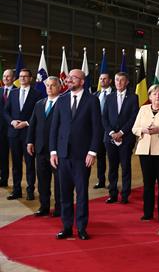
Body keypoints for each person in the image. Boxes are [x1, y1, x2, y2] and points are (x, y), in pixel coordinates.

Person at [50, 69, 101, 240]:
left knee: (81, 194)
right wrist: (53, 152)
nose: (69, 80)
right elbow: (54, 128)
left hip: (82, 156)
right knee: (64, 193)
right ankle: (66, 227)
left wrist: (92, 152)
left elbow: (97, 129)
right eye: (69, 78)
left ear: (82, 81)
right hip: (62, 155)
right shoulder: (61, 100)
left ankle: (81, 228)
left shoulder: (92, 101)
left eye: (73, 78)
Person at [133, 84, 159, 220]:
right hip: (145, 151)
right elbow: (134, 128)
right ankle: (147, 213)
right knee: (147, 184)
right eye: (154, 94)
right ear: (149, 96)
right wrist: (143, 130)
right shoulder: (143, 109)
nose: (157, 97)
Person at [26, 76, 61, 217]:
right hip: (40, 149)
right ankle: (44, 206)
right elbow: (32, 124)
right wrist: (30, 141)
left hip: (57, 151)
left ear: (59, 87)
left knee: (59, 182)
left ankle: (59, 207)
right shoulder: (39, 103)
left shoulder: (63, 104)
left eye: (53, 85)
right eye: (47, 85)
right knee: (43, 181)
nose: (49, 88)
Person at [4, 69, 41, 200]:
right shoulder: (13, 93)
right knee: (16, 164)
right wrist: (12, 121)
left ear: (31, 78)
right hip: (13, 133)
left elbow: (38, 115)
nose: (23, 78)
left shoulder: (37, 94)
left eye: (25, 76)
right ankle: (16, 190)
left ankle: (30, 190)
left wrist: (26, 123)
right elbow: (5, 112)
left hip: (29, 134)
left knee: (30, 163)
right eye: (20, 76)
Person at [102, 72, 138, 204]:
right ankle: (112, 194)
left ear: (127, 82)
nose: (119, 83)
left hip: (126, 138)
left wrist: (122, 132)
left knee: (125, 167)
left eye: (122, 80)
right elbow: (104, 117)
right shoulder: (109, 97)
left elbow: (133, 117)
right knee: (112, 168)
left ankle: (125, 195)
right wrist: (112, 132)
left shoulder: (133, 97)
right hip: (110, 138)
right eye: (117, 80)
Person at [93, 73, 113, 189]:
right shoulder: (95, 95)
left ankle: (112, 182)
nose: (102, 80)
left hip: (111, 130)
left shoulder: (115, 95)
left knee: (111, 158)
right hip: (98, 131)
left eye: (105, 78)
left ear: (110, 81)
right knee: (100, 157)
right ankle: (101, 180)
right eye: (100, 78)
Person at [0, 69, 16, 187]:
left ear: (13, 78)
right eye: (4, 76)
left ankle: (17, 184)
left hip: (14, 129)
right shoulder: (0, 90)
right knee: (2, 156)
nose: (5, 78)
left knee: (16, 159)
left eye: (8, 76)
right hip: (0, 130)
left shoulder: (18, 91)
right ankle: (3, 179)